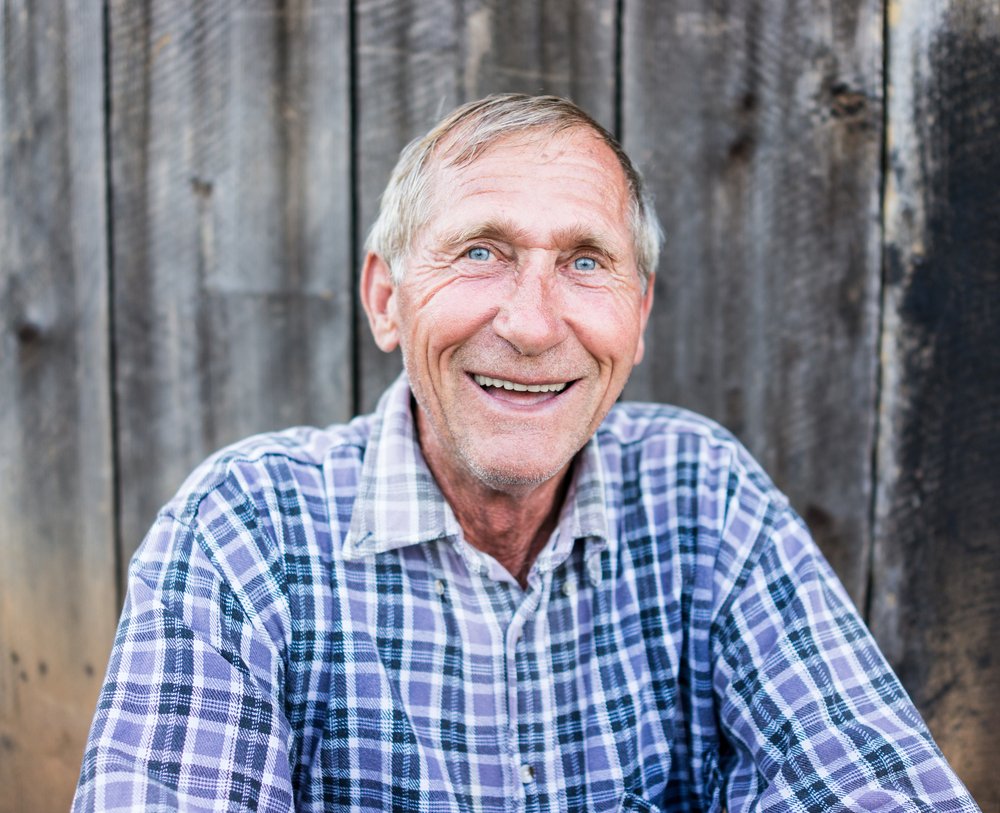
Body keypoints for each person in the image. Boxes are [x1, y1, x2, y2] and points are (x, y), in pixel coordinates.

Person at [74, 94, 978, 813]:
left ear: (640, 312)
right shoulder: (244, 529)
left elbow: (877, 785)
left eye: (586, 262)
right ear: (387, 300)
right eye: (480, 251)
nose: (535, 323)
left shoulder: (700, 495)